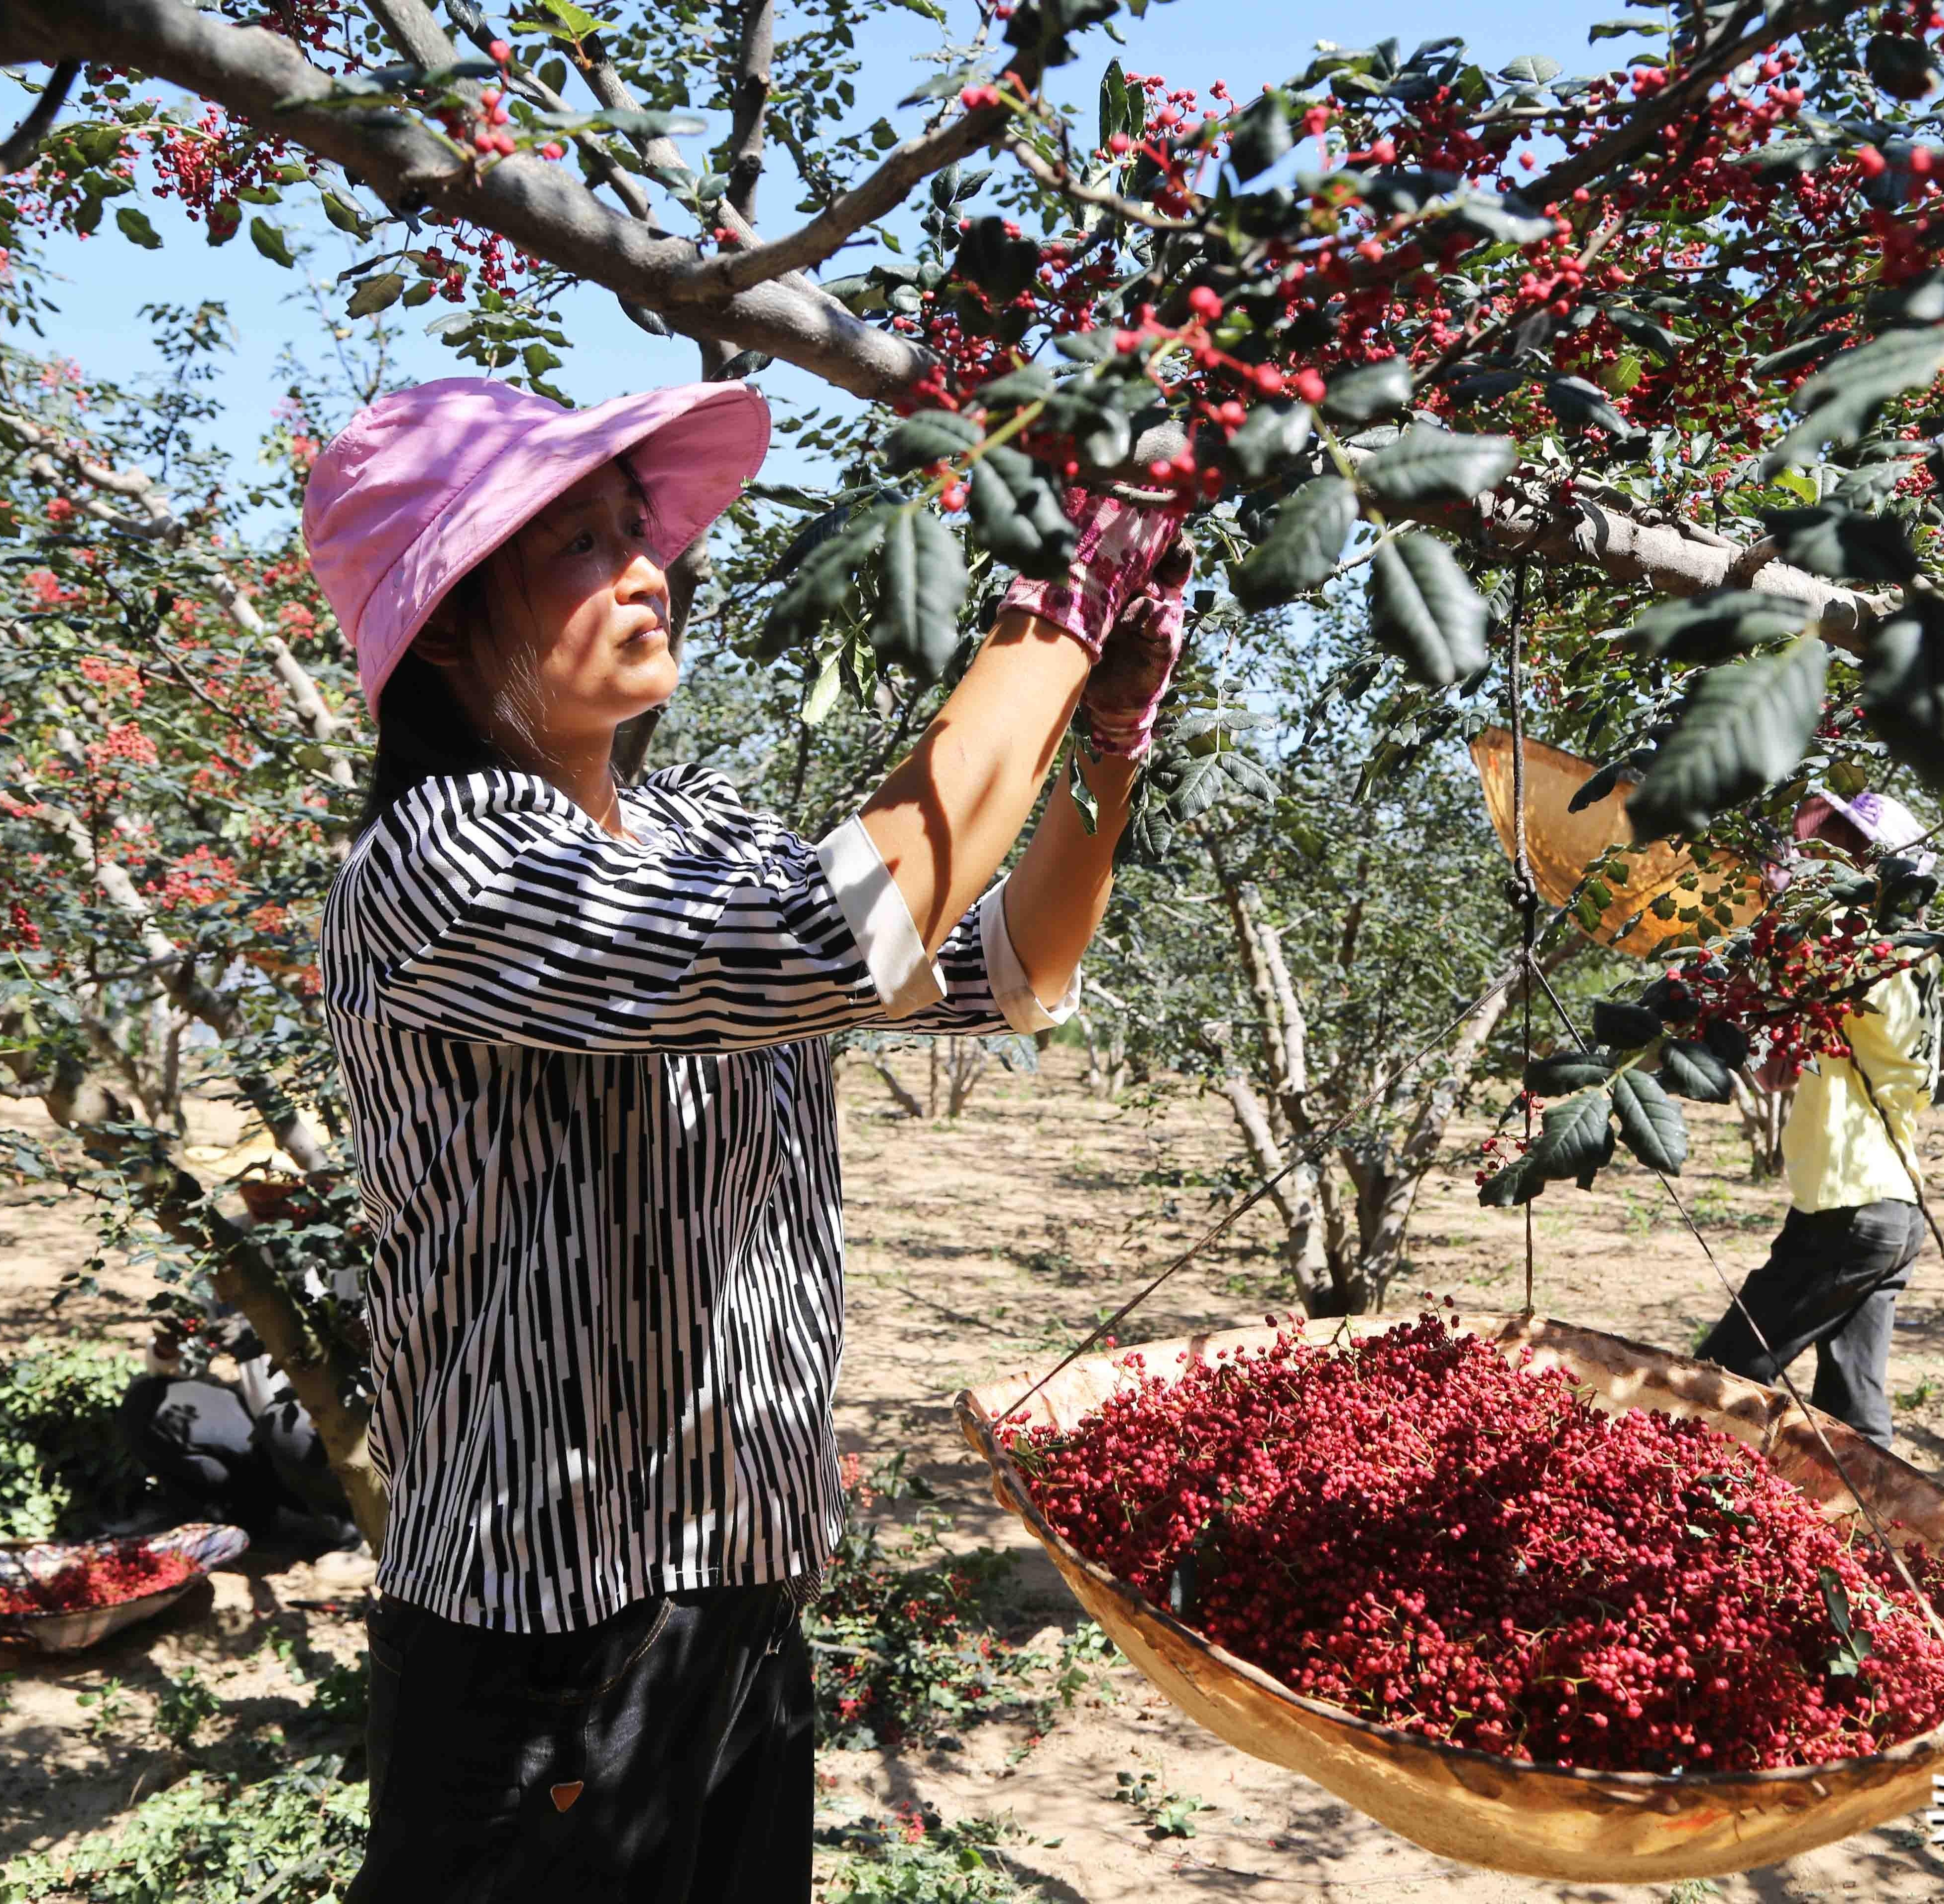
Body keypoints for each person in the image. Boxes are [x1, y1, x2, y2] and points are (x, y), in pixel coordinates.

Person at [300, 377, 1189, 1902]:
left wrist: (1107, 736)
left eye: (635, 532)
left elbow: (1006, 971)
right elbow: (849, 931)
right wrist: (1062, 595)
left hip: (745, 1579)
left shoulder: (708, 830)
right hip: (545, 1637)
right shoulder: (442, 863)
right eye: (578, 546)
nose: (648, 568)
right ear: (447, 627)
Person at [1699, 789, 1944, 1450]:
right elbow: (1781, 1063)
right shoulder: (1908, 960)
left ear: (1880, 869)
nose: (1821, 866)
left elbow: (1789, 970)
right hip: (1892, 1209)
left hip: (1850, 1207)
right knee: (1856, 1417)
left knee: (1723, 1373)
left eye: (1840, 852)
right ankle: (1870, 1546)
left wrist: (1712, 1003)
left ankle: (1687, 1504)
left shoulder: (1865, 950)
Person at [119, 1309, 357, 1547]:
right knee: (145, 1404)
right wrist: (167, 1351)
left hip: (322, 1432)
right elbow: (183, 1367)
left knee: (285, 1424)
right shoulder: (226, 1282)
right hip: (259, 1420)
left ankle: (354, 1532)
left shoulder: (353, 1280)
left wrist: (260, 1334)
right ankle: (244, 1515)